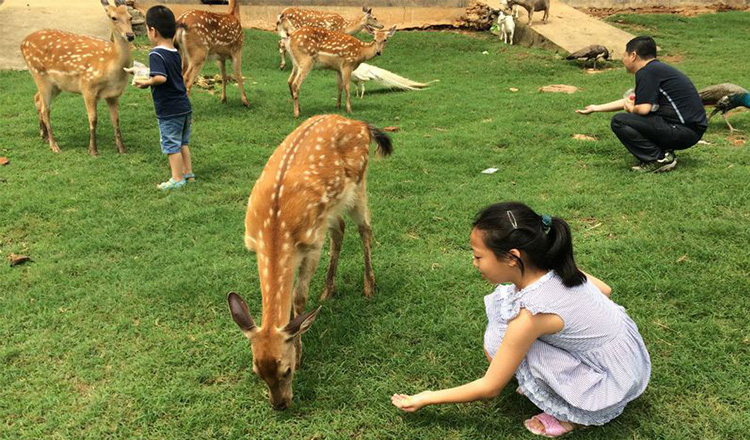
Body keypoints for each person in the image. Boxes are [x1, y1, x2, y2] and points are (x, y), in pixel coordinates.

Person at [391, 202, 651, 438]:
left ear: (513, 257)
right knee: (502, 336)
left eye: (478, 256)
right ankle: (558, 382)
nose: (474, 263)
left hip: (607, 382)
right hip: (628, 361)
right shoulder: (555, 264)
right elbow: (604, 290)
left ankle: (573, 415)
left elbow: (490, 387)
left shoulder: (530, 316)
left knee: (499, 343)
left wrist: (425, 398)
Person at [577, 36, 707, 173]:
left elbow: (643, 109)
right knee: (637, 118)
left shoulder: (646, 73)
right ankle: (664, 153)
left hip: (683, 131)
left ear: (633, 55)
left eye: (624, 55)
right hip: (690, 130)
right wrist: (595, 108)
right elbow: (630, 100)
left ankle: (658, 159)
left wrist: (631, 109)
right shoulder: (656, 70)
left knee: (620, 121)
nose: (623, 60)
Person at [132, 5, 194, 189]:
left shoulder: (155, 53)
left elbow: (160, 77)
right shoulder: (175, 52)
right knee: (183, 142)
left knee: (171, 144)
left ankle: (176, 178)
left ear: (153, 31)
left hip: (169, 110)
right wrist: (137, 72)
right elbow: (167, 73)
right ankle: (188, 173)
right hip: (184, 107)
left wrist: (147, 82)